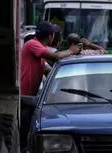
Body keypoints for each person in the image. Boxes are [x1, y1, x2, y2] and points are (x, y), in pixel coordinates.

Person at [20, 21, 82, 151]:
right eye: (53, 34)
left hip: (32, 98)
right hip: (25, 97)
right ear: (50, 36)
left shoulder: (40, 52)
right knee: (23, 134)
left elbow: (50, 71)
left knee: (26, 132)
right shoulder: (33, 44)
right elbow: (55, 56)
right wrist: (71, 51)